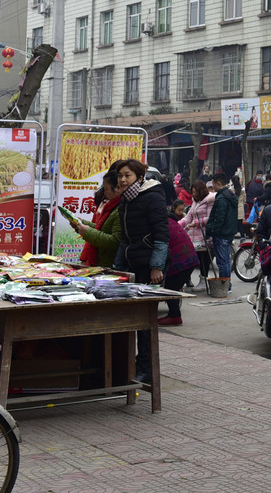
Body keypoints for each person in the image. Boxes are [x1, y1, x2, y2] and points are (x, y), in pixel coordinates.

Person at [113, 158, 170, 385]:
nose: (123, 179)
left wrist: (157, 266)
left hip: (148, 267)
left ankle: (146, 367)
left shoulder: (152, 197)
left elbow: (162, 235)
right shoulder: (125, 200)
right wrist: (117, 268)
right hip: (131, 265)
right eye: (120, 176)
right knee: (131, 318)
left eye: (127, 175)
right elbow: (125, 239)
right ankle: (135, 362)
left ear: (139, 177)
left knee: (145, 320)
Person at [73, 169, 123, 267]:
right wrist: (81, 223)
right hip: (102, 262)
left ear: (117, 188)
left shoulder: (120, 209)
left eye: (105, 189)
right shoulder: (110, 206)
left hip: (109, 264)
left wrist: (87, 232)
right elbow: (102, 228)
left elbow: (115, 241)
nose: (104, 193)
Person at [159, 214, 201, 326]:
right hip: (189, 257)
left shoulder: (160, 223)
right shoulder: (169, 220)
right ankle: (173, 315)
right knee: (173, 286)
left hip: (181, 259)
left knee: (170, 288)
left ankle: (175, 316)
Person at [205, 170, 241, 294]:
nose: (213, 187)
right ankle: (227, 285)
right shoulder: (230, 196)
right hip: (229, 232)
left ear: (218, 183)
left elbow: (218, 218)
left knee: (223, 261)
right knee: (225, 260)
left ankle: (225, 286)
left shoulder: (221, 199)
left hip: (221, 234)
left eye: (213, 184)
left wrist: (212, 231)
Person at [181, 180, 216, 290]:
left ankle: (203, 280)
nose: (193, 194)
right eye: (192, 192)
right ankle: (186, 278)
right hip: (194, 235)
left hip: (205, 234)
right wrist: (178, 225)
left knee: (203, 259)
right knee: (192, 258)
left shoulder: (209, 201)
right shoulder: (195, 202)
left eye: (195, 192)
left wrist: (196, 223)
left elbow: (210, 218)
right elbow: (189, 216)